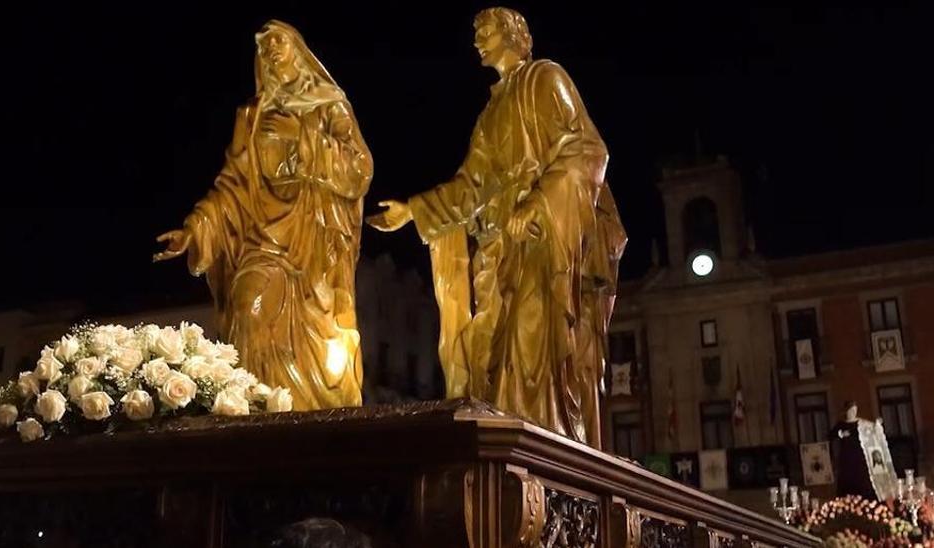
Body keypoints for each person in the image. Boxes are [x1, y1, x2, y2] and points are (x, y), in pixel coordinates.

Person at [367, 7, 625, 447]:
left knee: (531, 342)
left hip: (540, 241)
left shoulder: (546, 79)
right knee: (488, 352)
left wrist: (541, 203)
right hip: (498, 247)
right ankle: (512, 452)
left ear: (513, 34)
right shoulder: (492, 112)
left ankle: (544, 447)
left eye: (484, 31)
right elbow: (470, 186)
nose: (476, 41)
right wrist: (413, 210)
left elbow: (587, 149)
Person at [155, 20, 372, 411]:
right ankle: (256, 413)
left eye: (279, 41)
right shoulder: (252, 116)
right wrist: (194, 228)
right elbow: (232, 184)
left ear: (298, 49)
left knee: (322, 346)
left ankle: (309, 415)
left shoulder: (328, 104)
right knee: (247, 304)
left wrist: (306, 145)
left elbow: (359, 169)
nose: (271, 49)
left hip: (313, 243)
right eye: (264, 44)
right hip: (263, 241)